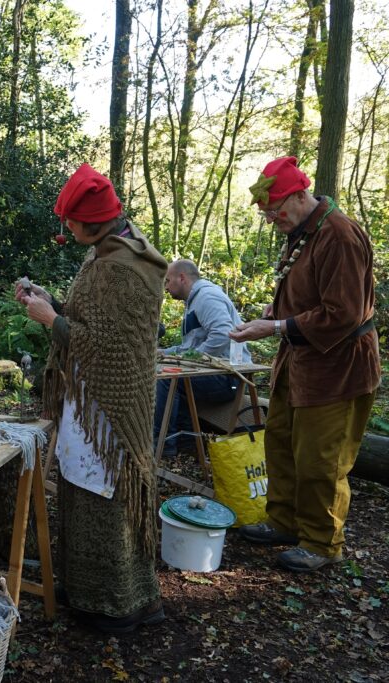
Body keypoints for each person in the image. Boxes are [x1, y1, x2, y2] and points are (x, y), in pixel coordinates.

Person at [16, 163, 167, 633]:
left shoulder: (120, 268)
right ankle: (84, 589)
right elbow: (94, 321)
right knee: (81, 489)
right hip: (89, 395)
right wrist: (51, 304)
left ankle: (118, 603)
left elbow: (106, 346)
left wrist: (50, 320)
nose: (66, 228)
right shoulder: (110, 250)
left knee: (105, 495)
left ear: (92, 222)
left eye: (70, 221)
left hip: (109, 402)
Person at [230, 156, 380, 573]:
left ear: (299, 196)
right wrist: (276, 310)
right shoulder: (302, 232)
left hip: (338, 368)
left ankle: (321, 541)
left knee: (320, 459)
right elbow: (310, 290)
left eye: (275, 209)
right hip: (298, 360)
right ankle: (284, 520)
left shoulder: (339, 235)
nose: (271, 218)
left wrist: (277, 326)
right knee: (280, 441)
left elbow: (344, 312)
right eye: (266, 213)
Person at [155, 259, 251, 455]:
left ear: (182, 278)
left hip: (230, 377)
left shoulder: (206, 297)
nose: (166, 287)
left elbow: (223, 334)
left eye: (168, 281)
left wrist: (193, 358)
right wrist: (165, 353)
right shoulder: (195, 301)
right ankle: (187, 443)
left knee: (167, 380)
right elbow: (189, 348)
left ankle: (162, 446)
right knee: (171, 376)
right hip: (217, 372)